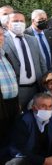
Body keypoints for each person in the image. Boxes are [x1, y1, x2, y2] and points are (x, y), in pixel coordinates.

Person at [8, 93, 52, 165]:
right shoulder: (23, 121)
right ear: (34, 107)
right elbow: (21, 149)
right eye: (43, 106)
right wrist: (43, 161)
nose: (47, 110)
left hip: (44, 154)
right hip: (27, 156)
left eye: (50, 106)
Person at [3, 12, 47, 109]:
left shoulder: (33, 40)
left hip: (36, 89)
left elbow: (42, 63)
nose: (19, 23)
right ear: (7, 23)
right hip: (16, 91)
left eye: (21, 21)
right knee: (17, 121)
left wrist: (44, 84)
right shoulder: (2, 40)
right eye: (15, 21)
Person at [0, 27, 19, 163]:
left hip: (11, 105)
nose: (1, 38)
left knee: (10, 140)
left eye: (1, 35)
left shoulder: (4, 55)